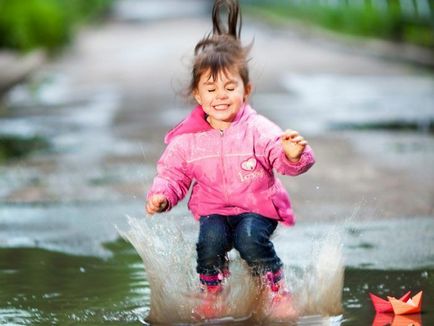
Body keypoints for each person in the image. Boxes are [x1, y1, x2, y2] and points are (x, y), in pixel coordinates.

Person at [146, 0, 315, 320]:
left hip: (257, 208)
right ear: (197, 94)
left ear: (246, 90)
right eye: (211, 88)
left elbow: (280, 156)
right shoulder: (188, 138)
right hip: (215, 211)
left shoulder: (258, 128)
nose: (220, 95)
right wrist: (163, 196)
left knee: (248, 238)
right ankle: (213, 292)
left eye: (229, 86)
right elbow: (173, 173)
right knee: (210, 242)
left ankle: (277, 292)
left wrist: (294, 155)